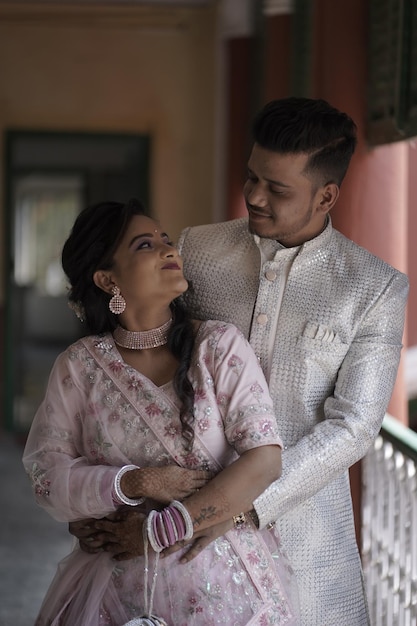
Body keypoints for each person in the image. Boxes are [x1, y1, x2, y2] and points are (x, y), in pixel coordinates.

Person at [70, 97, 409, 625]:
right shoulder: (197, 251)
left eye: (277, 189)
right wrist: (98, 491)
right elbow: (135, 358)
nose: (253, 196)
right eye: (251, 177)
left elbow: (353, 427)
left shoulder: (373, 287)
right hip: (175, 550)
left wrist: (229, 506)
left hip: (304, 533)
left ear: (327, 195)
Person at [22, 198, 300, 626]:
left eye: (166, 240)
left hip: (227, 595)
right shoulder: (79, 367)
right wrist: (133, 482)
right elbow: (47, 477)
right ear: (106, 278)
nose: (170, 250)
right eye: (145, 245)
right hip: (113, 599)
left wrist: (163, 529)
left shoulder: (217, 347)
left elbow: (265, 459)